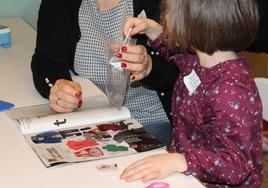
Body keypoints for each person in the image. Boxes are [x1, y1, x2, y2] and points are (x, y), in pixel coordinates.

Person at [120, 0, 263, 187]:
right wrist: (151, 29)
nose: (165, 17)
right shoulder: (201, 59)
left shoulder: (230, 90)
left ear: (195, 22)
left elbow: (237, 164)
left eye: (169, 12)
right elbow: (175, 54)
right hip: (188, 175)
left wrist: (182, 161)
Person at [31, 0, 176, 145]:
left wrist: (150, 67)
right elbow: (47, 58)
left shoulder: (161, 4)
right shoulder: (61, 4)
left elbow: (182, 70)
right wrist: (57, 85)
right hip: (89, 121)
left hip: (149, 121)